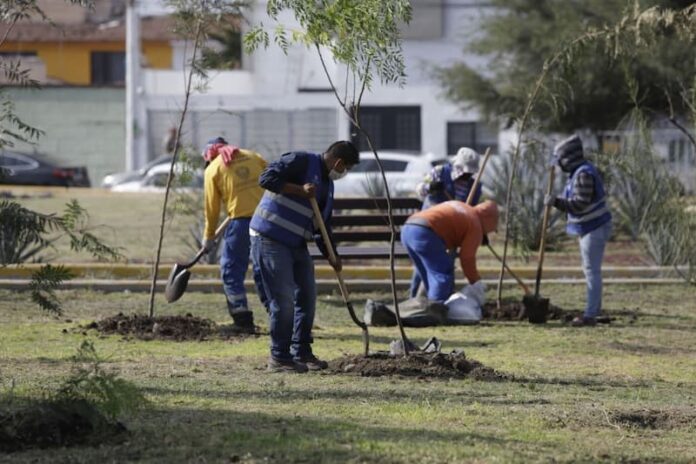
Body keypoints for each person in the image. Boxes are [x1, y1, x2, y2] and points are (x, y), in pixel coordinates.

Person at [250, 141, 360, 373]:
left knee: (307, 299)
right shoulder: (300, 161)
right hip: (270, 238)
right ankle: (279, 357)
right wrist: (299, 190)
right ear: (339, 163)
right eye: (346, 168)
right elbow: (266, 179)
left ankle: (301, 351)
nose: (344, 173)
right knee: (284, 301)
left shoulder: (328, 185)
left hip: (297, 244)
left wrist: (332, 254)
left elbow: (322, 225)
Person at [545, 134, 612, 327]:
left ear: (568, 158)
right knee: (590, 270)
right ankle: (594, 310)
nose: (559, 166)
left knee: (592, 271)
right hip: (589, 226)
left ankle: (590, 315)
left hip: (595, 226)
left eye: (561, 161)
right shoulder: (577, 172)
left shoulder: (583, 174)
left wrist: (555, 202)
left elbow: (580, 204)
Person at [202, 136, 268, 332]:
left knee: (231, 270)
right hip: (268, 221)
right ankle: (280, 317)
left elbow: (212, 210)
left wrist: (208, 237)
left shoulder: (213, 169)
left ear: (209, 155)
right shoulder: (254, 157)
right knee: (266, 270)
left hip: (241, 224)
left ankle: (242, 320)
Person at [410, 147, 484, 298]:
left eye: (470, 172)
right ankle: (414, 300)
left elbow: (473, 212)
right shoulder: (439, 172)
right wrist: (430, 187)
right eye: (466, 171)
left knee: (446, 267)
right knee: (423, 267)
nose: (467, 175)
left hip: (452, 234)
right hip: (429, 229)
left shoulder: (474, 187)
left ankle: (441, 301)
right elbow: (419, 191)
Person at [400, 200, 499, 304]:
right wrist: (475, 281)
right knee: (442, 273)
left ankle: (419, 308)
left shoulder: (462, 206)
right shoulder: (475, 224)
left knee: (427, 275)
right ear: (489, 219)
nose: (487, 233)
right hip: (425, 233)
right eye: (491, 230)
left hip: (408, 228)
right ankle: (437, 309)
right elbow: (467, 258)